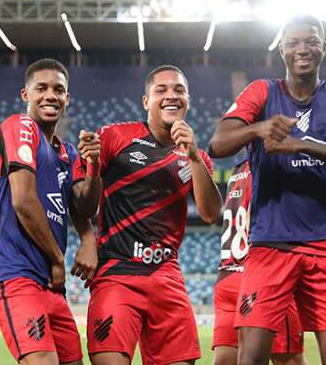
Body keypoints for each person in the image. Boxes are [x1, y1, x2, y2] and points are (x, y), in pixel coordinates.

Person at [208, 14, 326, 365]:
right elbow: (218, 144)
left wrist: (301, 145)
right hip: (271, 246)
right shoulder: (261, 92)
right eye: (293, 42)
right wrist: (259, 129)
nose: (302, 48)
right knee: (251, 358)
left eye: (311, 40)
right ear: (281, 50)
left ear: (324, 47)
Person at [74, 65, 222, 365]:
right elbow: (82, 205)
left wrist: (194, 155)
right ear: (146, 101)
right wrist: (87, 237)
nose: (171, 95)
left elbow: (210, 213)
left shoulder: (196, 155)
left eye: (179, 90)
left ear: (188, 100)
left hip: (166, 276)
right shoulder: (115, 137)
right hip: (117, 274)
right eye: (161, 90)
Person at [0, 58, 101, 365]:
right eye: (41, 88)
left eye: (59, 89)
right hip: (14, 274)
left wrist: (95, 166)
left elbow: (83, 206)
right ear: (25, 95)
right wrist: (57, 259)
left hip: (50, 283)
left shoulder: (69, 152)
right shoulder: (20, 127)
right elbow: (23, 200)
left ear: (67, 98)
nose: (50, 95)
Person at [213, 157, 305, 365]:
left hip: (227, 276)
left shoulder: (237, 171)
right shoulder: (274, 165)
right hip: (262, 278)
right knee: (289, 359)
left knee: (225, 360)